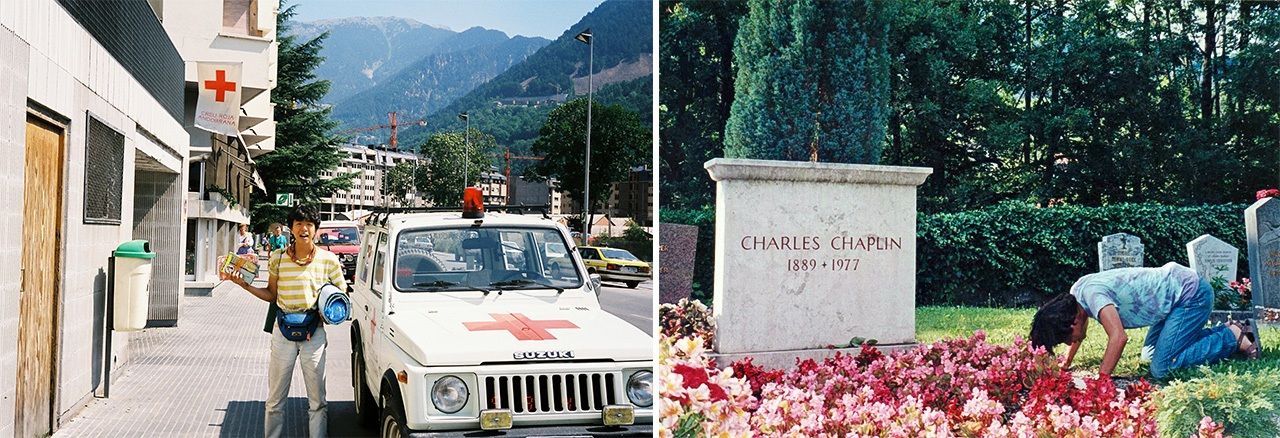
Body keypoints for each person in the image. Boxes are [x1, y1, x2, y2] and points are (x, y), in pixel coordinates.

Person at [223, 205, 347, 437]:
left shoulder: (328, 260)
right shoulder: (278, 258)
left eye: (309, 224)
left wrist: (328, 312)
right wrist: (245, 285)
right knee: (275, 400)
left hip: (314, 333)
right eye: (299, 224)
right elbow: (271, 294)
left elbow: (342, 295)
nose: (304, 229)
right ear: (291, 228)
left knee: (318, 401)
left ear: (316, 229)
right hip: (283, 333)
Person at [1030, 262, 1259, 379]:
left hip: (1191, 296)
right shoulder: (1077, 296)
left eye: (1065, 339)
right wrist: (1067, 362)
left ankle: (1233, 337)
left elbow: (1118, 338)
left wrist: (1101, 381)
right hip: (1171, 303)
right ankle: (1229, 329)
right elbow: (1079, 332)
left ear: (1072, 322)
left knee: (1162, 368)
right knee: (1149, 356)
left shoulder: (1093, 296)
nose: (1068, 342)